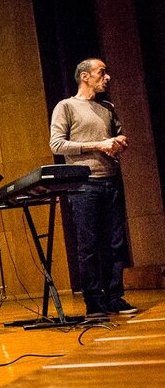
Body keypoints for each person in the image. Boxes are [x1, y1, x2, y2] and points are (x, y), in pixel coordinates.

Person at [50, 58, 136, 317]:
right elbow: (57, 144)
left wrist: (119, 141)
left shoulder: (107, 107)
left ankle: (114, 297)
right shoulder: (66, 106)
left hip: (112, 180)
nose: (107, 77)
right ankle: (94, 301)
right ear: (85, 76)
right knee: (88, 244)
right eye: (102, 72)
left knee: (115, 243)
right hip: (84, 185)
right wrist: (97, 145)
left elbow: (117, 136)